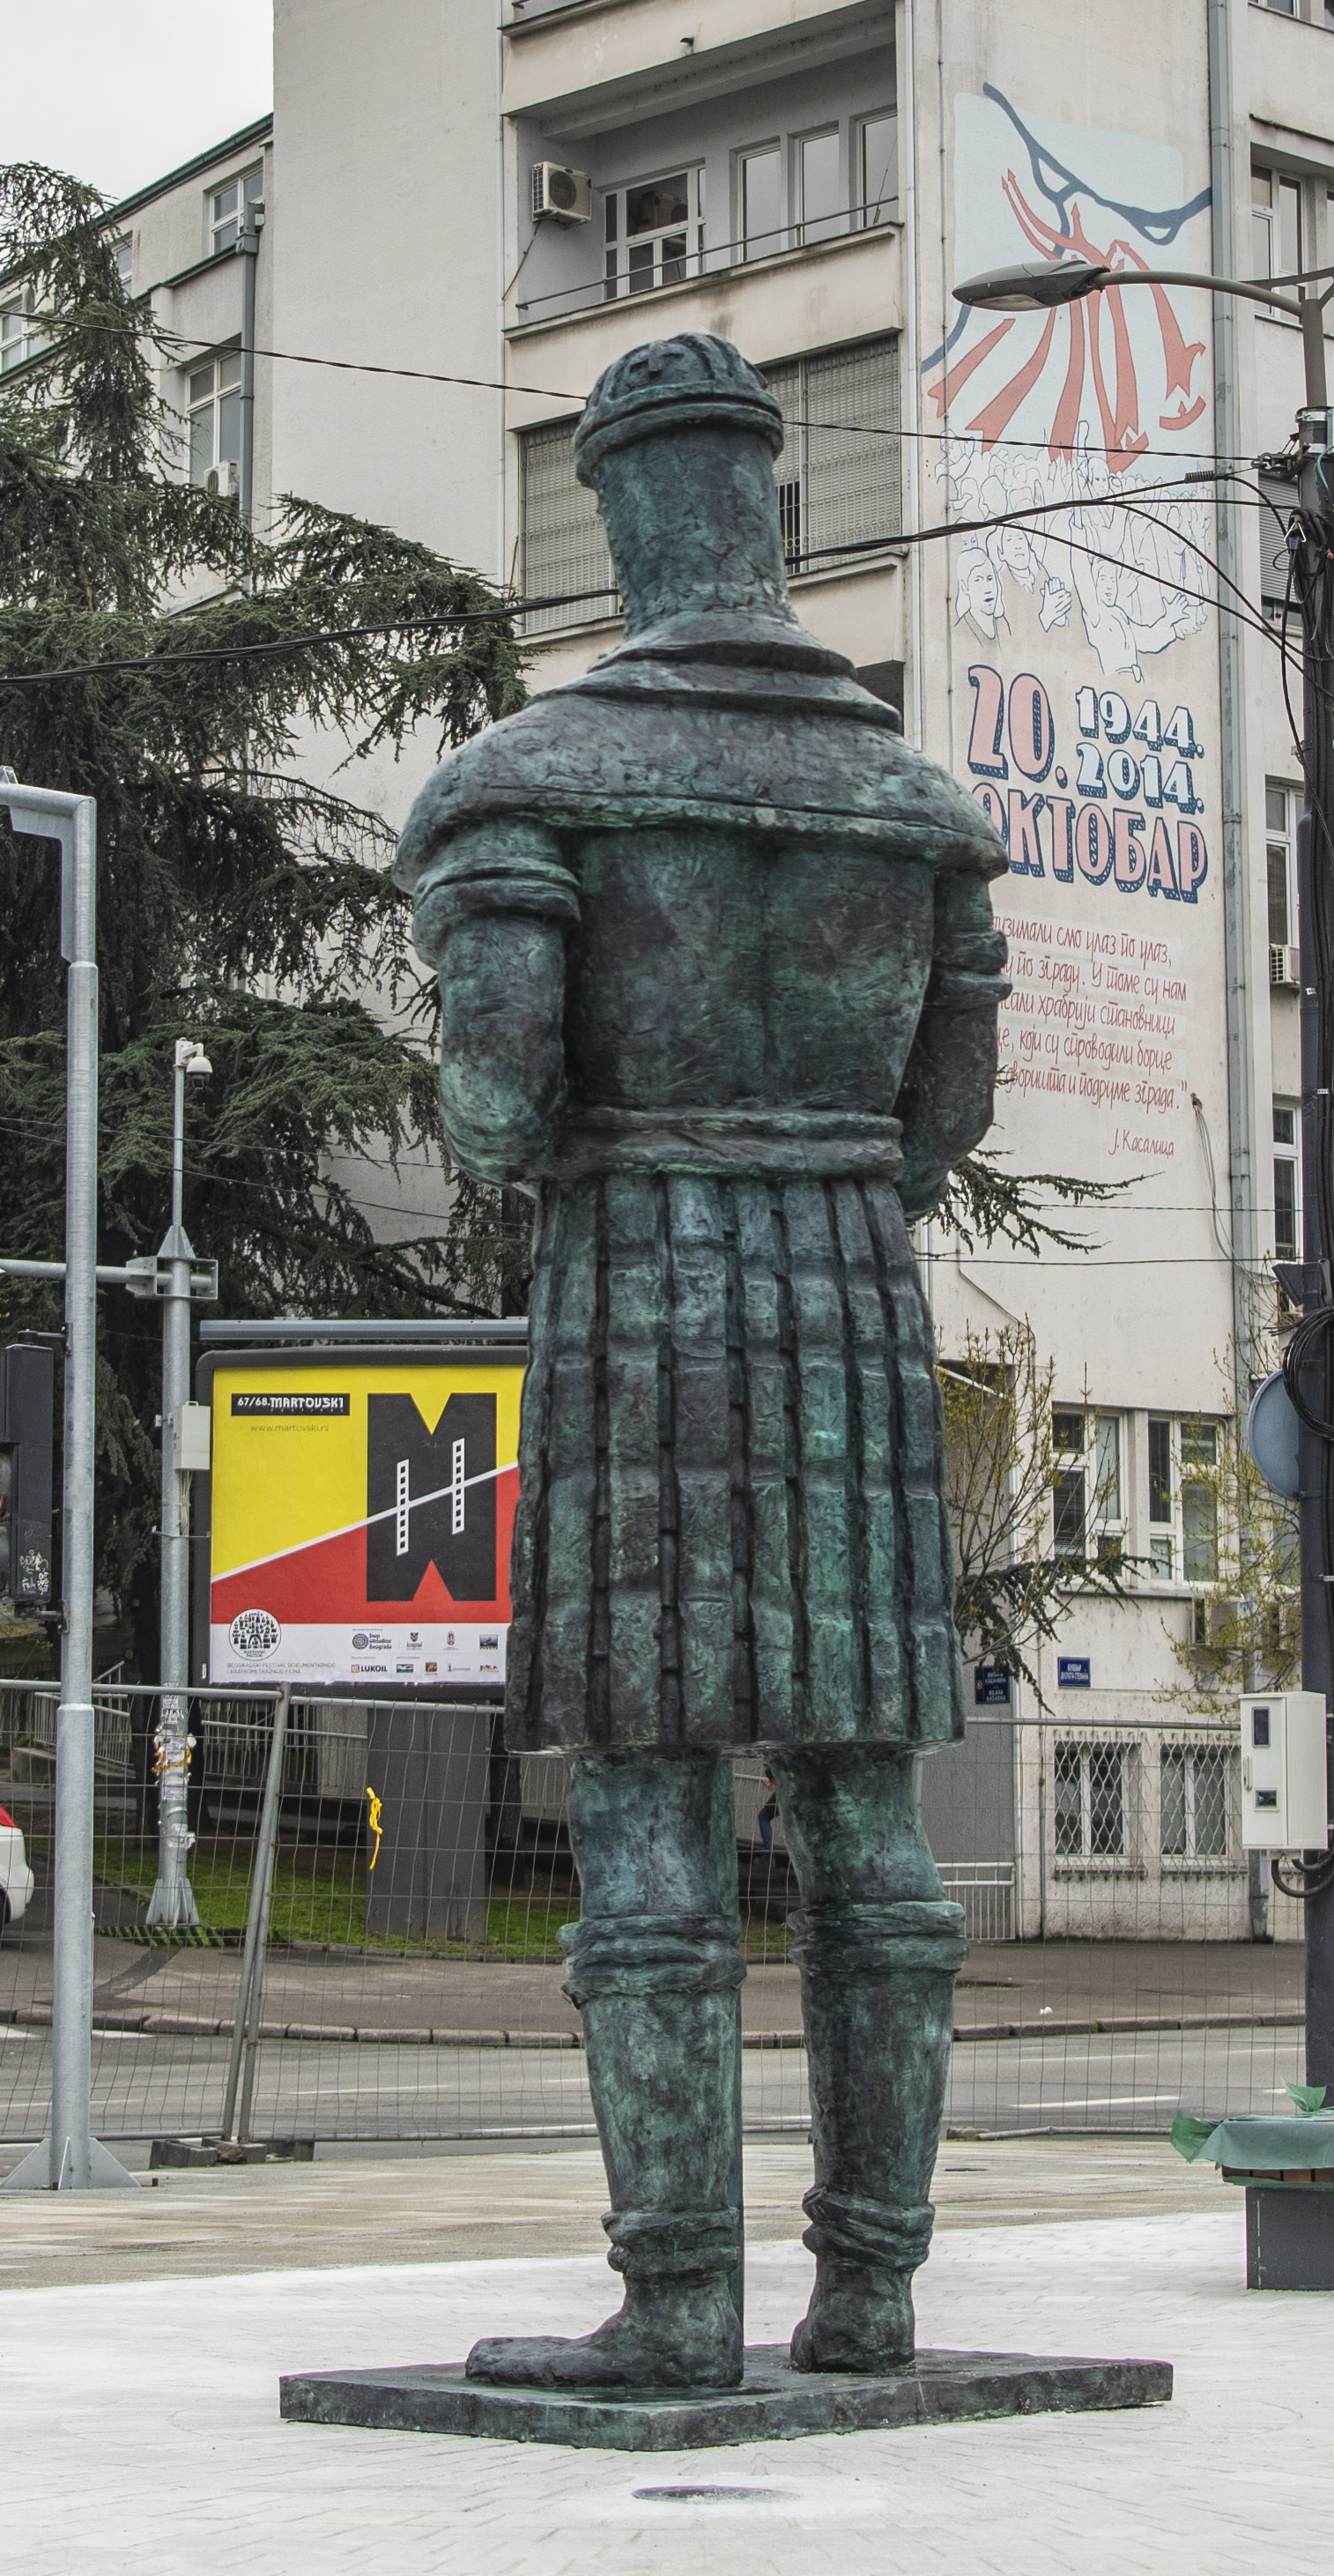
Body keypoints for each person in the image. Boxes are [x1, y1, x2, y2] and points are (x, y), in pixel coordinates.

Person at [393, 334, 1010, 2394]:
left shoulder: (527, 781)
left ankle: (672, 2302)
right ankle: (874, 2294)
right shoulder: (913, 805)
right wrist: (811, 1162)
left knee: (650, 1807)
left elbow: (493, 1117)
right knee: (868, 1811)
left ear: (622, 510)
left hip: (636, 1291)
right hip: (846, 1286)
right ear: (773, 505)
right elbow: (950, 1120)